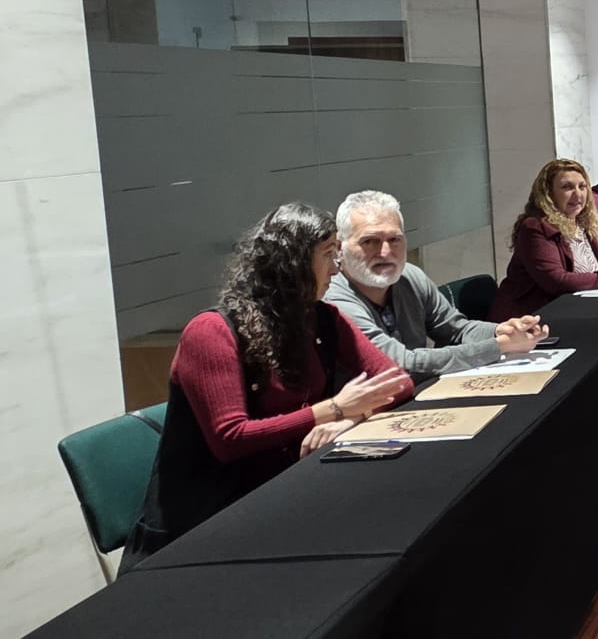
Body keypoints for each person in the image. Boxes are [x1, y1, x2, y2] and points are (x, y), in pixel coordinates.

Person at [122, 203, 412, 569]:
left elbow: (398, 382)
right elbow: (231, 439)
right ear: (293, 262)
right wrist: (333, 409)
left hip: (286, 494)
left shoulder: (322, 318)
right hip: (205, 527)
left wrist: (351, 419)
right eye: (328, 255)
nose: (336, 269)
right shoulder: (211, 332)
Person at [324, 189, 548, 375]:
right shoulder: (333, 299)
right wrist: (499, 346)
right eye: (369, 241)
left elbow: (456, 330)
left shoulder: (410, 276)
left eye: (394, 239)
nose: (385, 252)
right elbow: (399, 364)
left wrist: (502, 331)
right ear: (339, 248)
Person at [491, 160, 598, 320]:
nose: (578, 194)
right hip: (530, 320)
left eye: (582, 187)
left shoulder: (583, 222)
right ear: (549, 193)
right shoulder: (536, 227)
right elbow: (558, 281)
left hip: (575, 309)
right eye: (567, 187)